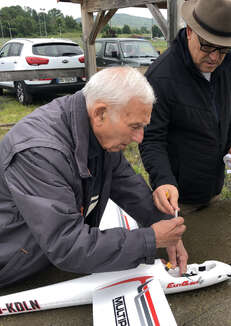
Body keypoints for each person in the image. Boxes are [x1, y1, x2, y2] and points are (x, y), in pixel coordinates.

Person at [0, 67, 187, 288]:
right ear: (100, 113)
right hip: (11, 269)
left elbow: (129, 187)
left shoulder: (98, 132)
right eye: (135, 127)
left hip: (43, 258)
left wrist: (165, 224)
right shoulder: (39, 153)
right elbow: (67, 245)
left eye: (143, 127)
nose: (140, 138)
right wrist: (150, 239)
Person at [139, 0, 231, 216]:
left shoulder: (226, 64)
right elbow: (151, 139)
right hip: (178, 196)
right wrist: (163, 181)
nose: (214, 58)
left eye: (223, 49)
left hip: (213, 186)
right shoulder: (161, 77)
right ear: (190, 31)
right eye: (207, 46)